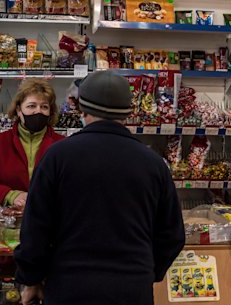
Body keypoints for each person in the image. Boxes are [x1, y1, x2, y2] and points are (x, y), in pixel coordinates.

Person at [14, 70, 185, 305]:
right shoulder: (153, 164)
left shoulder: (57, 157)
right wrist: (146, 272)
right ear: (128, 111)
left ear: (81, 109)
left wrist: (31, 279)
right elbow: (172, 235)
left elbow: (36, 228)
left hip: (69, 287)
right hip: (132, 289)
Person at [0, 79, 65, 208]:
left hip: (51, 221)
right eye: (31, 106)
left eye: (44, 107)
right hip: (10, 221)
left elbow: (74, 185)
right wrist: (11, 195)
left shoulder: (62, 145)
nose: (38, 111)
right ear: (18, 110)